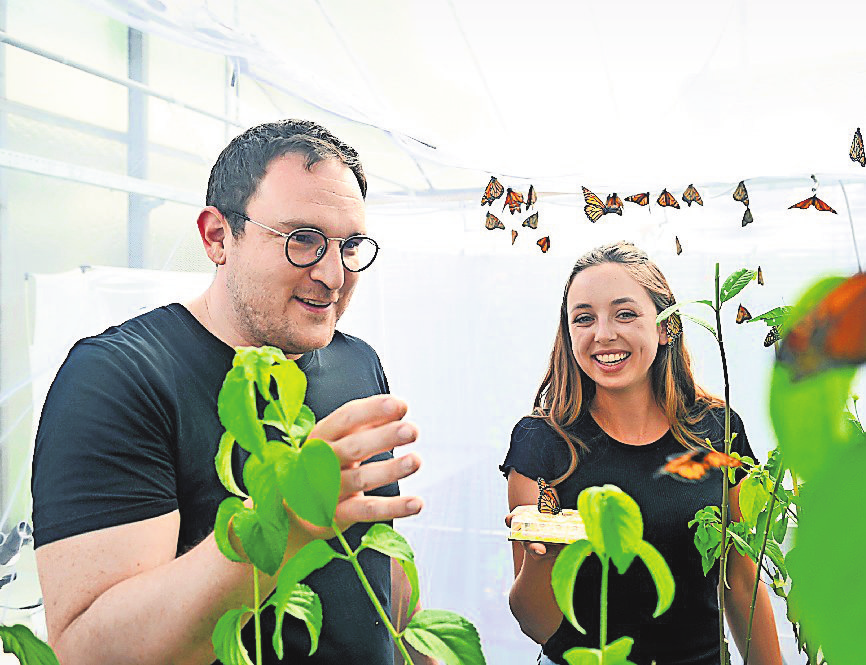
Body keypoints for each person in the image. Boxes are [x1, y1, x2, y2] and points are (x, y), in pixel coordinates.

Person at [31, 119, 434, 664]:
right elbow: (89, 652)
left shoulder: (356, 362)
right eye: (303, 241)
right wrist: (281, 527)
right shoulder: (120, 377)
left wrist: (411, 644)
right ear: (218, 237)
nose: (335, 275)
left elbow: (373, 568)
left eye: (350, 245)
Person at [501, 242, 783, 665]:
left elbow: (741, 581)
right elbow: (536, 624)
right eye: (584, 319)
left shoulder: (718, 431)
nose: (603, 334)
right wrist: (549, 554)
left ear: (665, 326)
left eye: (625, 313)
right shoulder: (541, 443)